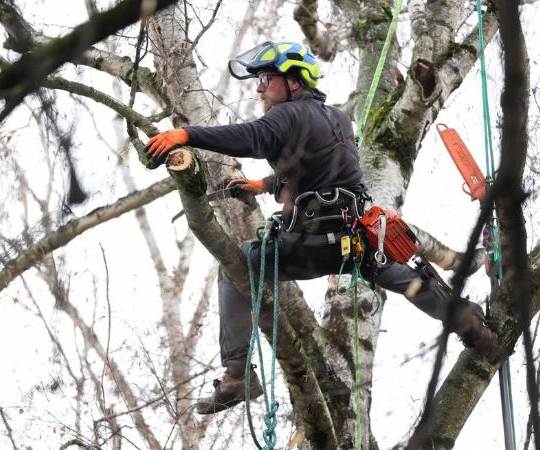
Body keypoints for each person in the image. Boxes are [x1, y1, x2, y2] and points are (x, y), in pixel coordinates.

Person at [145, 41, 496, 415]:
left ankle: (236, 376)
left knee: (239, 265)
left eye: (265, 79)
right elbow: (314, 172)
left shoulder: (287, 115)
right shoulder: (335, 119)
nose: (259, 88)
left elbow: (249, 138)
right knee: (406, 280)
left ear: (293, 83)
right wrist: (261, 186)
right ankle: (470, 324)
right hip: (354, 240)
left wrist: (188, 136)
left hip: (311, 243)